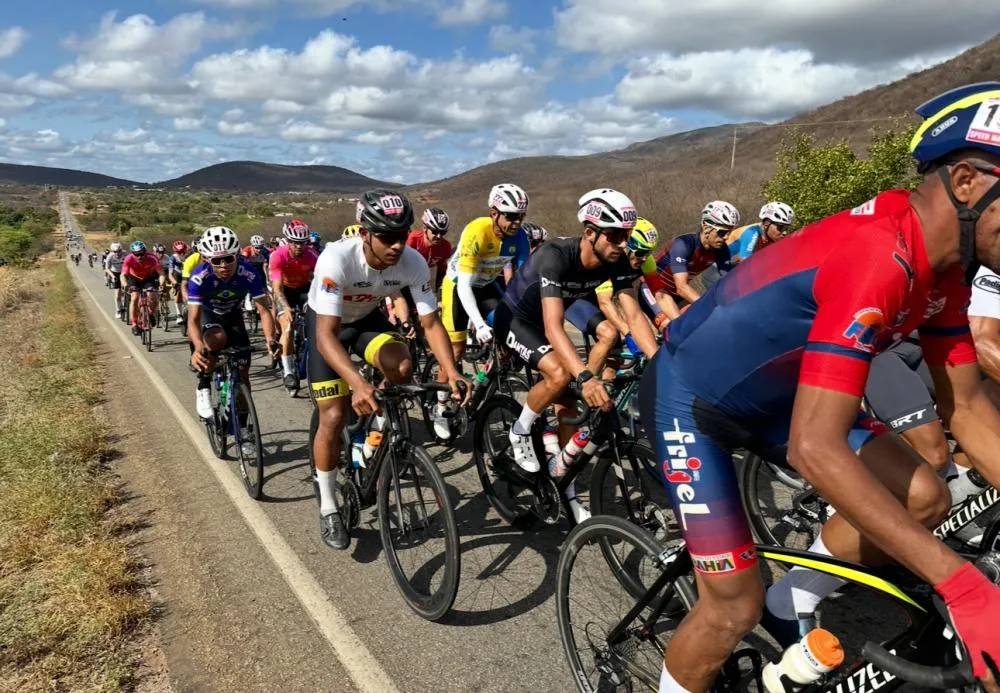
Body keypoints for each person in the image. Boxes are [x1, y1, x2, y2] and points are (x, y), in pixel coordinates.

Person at [639, 82, 1000, 693]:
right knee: (731, 607)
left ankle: (791, 601)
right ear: (966, 183)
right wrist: (964, 587)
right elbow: (815, 448)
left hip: (781, 399)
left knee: (925, 498)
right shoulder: (879, 255)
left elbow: (964, 406)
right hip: (694, 400)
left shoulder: (947, 270)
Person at [306, 189, 469, 550]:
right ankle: (330, 505)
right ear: (365, 233)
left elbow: (430, 323)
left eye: (401, 235)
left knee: (404, 364)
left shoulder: (411, 262)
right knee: (333, 415)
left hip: (366, 321)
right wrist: (358, 383)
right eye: (386, 237)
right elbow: (326, 336)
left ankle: (376, 430)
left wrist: (452, 370)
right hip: (327, 327)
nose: (396, 245)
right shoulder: (337, 259)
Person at [493, 188, 657, 487]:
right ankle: (520, 427)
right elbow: (554, 326)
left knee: (567, 404)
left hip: (547, 319)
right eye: (614, 235)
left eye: (626, 235)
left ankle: (561, 478)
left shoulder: (617, 260)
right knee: (560, 373)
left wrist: (659, 361)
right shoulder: (555, 256)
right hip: (516, 318)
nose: (622, 244)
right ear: (590, 232)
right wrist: (584, 376)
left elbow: (633, 315)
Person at [434, 184, 530, 438]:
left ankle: (483, 375)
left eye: (520, 217)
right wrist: (478, 323)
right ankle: (440, 405)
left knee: (510, 327)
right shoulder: (477, 231)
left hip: (486, 285)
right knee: (454, 350)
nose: (516, 223)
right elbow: (465, 286)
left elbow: (522, 282)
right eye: (510, 216)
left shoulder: (520, 238)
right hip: (457, 286)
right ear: (494, 213)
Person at [188, 227, 278, 445]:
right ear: (207, 259)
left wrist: (270, 339)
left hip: (233, 316)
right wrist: (198, 346)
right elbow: (192, 320)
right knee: (217, 338)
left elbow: (264, 310)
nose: (223, 266)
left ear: (237, 255)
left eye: (228, 259)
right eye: (216, 261)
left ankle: (243, 428)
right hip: (209, 317)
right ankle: (204, 384)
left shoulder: (248, 273)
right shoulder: (200, 276)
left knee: (244, 378)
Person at [644, 201, 737, 322]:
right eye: (722, 232)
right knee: (673, 327)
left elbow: (728, 282)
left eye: (729, 232)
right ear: (706, 226)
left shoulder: (722, 250)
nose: (726, 237)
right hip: (653, 290)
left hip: (677, 296)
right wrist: (709, 307)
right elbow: (682, 287)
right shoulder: (684, 244)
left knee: (700, 322)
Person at [595, 217, 665, 350]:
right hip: (589, 300)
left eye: (648, 252)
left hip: (608, 299)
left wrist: (675, 322)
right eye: (640, 252)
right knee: (610, 341)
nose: (644, 258)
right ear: (627, 245)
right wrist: (627, 332)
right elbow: (604, 302)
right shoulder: (612, 263)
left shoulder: (647, 261)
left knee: (647, 339)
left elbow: (660, 294)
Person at [270, 219, 320, 394]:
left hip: (304, 290)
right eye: (295, 242)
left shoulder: (312, 255)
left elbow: (320, 280)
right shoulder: (278, 255)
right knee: (288, 327)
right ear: (287, 240)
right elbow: (276, 289)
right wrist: (286, 307)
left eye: (303, 242)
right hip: (285, 291)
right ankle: (289, 371)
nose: (299, 246)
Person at [391, 207, 452, 339]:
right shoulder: (412, 240)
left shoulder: (445, 246)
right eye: (435, 231)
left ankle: (421, 351)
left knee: (425, 321)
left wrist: (439, 296)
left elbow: (442, 271)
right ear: (425, 228)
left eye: (443, 232)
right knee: (403, 318)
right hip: (399, 280)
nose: (439, 236)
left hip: (418, 282)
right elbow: (393, 267)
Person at [727, 201, 795, 264]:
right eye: (781, 228)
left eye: (786, 228)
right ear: (766, 223)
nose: (785, 232)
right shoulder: (752, 232)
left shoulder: (769, 238)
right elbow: (745, 263)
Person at [121, 241, 165, 335]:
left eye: (141, 254)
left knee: (153, 296)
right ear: (132, 254)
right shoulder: (128, 259)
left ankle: (151, 314)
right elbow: (123, 275)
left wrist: (161, 284)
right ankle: (134, 323)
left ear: (145, 252)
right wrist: (125, 285)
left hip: (148, 278)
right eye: (136, 254)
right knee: (135, 297)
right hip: (134, 279)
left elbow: (161, 273)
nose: (139, 257)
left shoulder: (152, 258)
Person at [166, 241, 190, 326]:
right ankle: (179, 314)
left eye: (183, 251)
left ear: (186, 249)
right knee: (179, 293)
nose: (181, 253)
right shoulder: (173, 258)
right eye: (179, 252)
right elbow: (170, 274)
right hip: (178, 275)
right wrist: (175, 283)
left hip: (188, 274)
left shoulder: (190, 255)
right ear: (175, 252)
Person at [104, 242, 125, 317]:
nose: (117, 253)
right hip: (115, 273)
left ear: (121, 250)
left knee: (128, 288)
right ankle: (118, 310)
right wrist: (112, 276)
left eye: (119, 251)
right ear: (112, 251)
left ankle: (126, 299)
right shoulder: (110, 256)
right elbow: (107, 268)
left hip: (124, 272)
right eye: (115, 252)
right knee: (117, 294)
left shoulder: (126, 254)